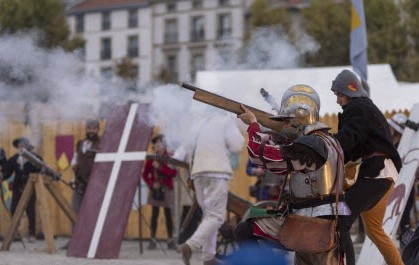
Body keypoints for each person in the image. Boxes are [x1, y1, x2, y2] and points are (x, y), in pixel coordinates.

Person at [235, 84, 349, 265]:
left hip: (314, 222)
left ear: (301, 118)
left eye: (288, 121)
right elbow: (281, 161)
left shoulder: (312, 145)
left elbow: (261, 156)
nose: (285, 124)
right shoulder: (326, 140)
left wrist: (253, 125)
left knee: (245, 231)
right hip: (316, 219)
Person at [331, 69, 404, 265]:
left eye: (339, 94)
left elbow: (348, 139)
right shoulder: (362, 108)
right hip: (382, 175)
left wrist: (323, 140)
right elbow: (351, 147)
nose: (337, 100)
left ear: (350, 90)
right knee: (375, 232)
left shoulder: (359, 108)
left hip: (376, 174)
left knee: (340, 221)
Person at [176, 112, 244, 265]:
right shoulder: (225, 120)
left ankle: (208, 258)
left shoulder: (199, 123)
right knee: (216, 217)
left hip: (198, 174)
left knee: (209, 217)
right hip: (216, 172)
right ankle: (190, 246)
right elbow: (237, 145)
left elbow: (184, 149)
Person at [142, 134, 177, 250]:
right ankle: (152, 240)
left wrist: (161, 167)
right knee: (154, 215)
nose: (158, 148)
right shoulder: (152, 159)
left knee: (168, 215)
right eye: (155, 145)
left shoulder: (169, 157)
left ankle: (170, 240)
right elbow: (145, 174)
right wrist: (151, 184)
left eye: (160, 145)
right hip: (155, 189)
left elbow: (173, 173)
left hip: (166, 189)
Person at [3, 137, 41, 242]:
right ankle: (14, 233)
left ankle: (32, 234)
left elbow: (41, 169)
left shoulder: (35, 158)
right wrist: (2, 175)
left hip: (29, 188)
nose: (21, 147)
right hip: (17, 188)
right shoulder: (14, 159)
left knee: (30, 211)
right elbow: (7, 172)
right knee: (14, 210)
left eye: (23, 145)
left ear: (27, 147)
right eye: (20, 145)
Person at [388, 112, 416, 249]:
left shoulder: (401, 147)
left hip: (402, 187)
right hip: (395, 185)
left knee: (403, 214)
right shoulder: (394, 146)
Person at [70, 119, 101, 213]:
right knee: (75, 212)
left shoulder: (102, 143)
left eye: (94, 128)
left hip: (95, 184)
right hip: (80, 183)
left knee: (93, 213)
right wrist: (75, 170)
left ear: (98, 129)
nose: (91, 131)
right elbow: (75, 158)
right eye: (89, 128)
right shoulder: (80, 143)